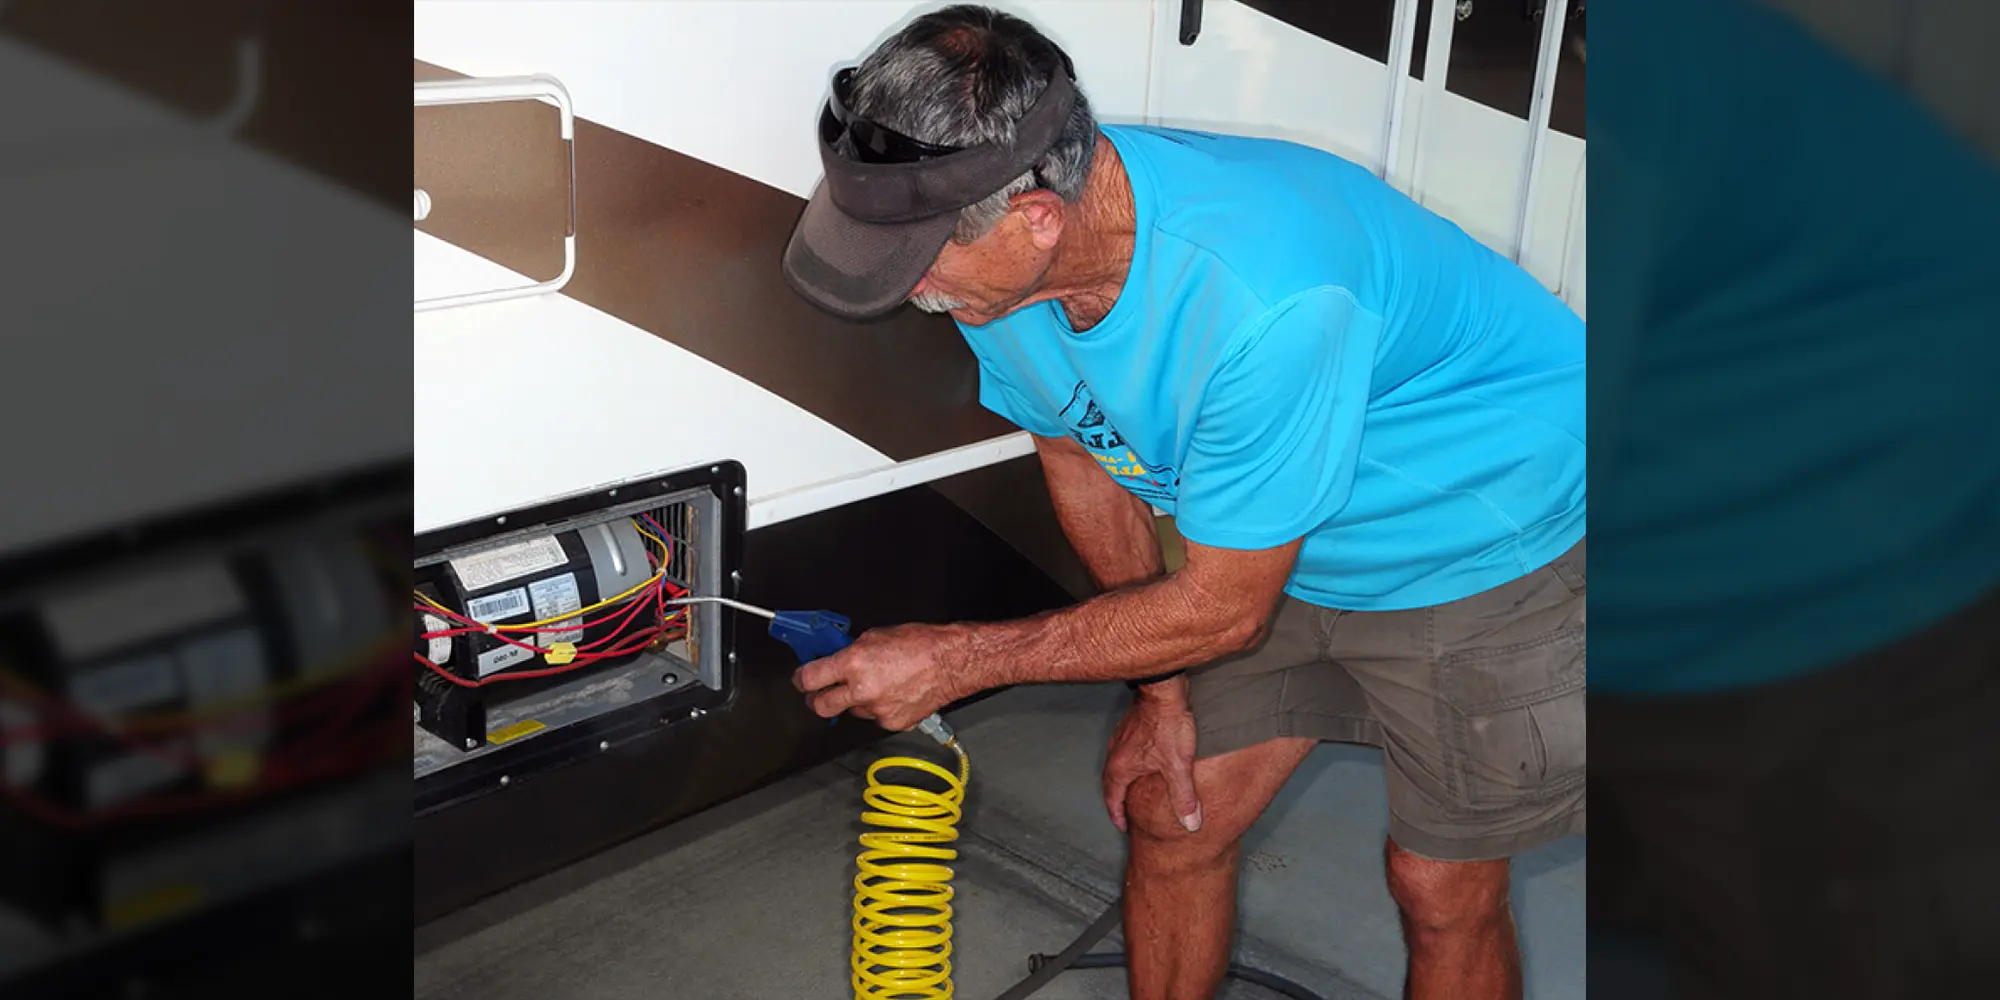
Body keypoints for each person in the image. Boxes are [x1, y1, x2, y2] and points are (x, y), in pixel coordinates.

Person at [779, 6, 1585, 999]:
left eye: (919, 265)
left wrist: (954, 660)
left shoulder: (1265, 295)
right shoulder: (1005, 285)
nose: (915, 294)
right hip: (1260, 541)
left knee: (1436, 888)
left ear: (1034, 220)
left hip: (1483, 534)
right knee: (1171, 807)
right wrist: (1157, 696)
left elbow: (1224, 607)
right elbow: (1081, 458)